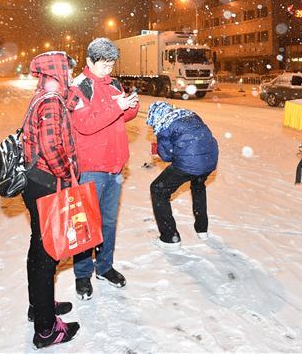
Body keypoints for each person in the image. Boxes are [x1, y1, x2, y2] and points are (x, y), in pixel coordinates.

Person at [67, 37, 139, 300]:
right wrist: (116, 106)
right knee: (86, 224)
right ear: (89, 61)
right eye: (103, 65)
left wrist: (130, 106)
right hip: (90, 168)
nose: (108, 70)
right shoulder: (79, 87)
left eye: (111, 65)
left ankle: (104, 267)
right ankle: (83, 274)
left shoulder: (114, 84)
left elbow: (121, 116)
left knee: (108, 222)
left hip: (115, 166)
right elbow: (85, 124)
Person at [21, 51, 81, 348]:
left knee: (38, 250)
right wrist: (66, 174)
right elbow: (49, 145)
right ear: (58, 71)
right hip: (48, 183)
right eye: (67, 69)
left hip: (35, 183)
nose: (70, 72)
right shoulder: (50, 101)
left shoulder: (44, 96)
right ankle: (46, 329)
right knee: (47, 256)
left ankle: (39, 306)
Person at [145, 101, 219, 247]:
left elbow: (167, 156)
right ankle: (202, 229)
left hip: (190, 163)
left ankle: (169, 237)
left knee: (158, 189)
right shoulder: (189, 114)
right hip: (210, 158)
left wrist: (158, 150)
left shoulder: (163, 125)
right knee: (198, 186)